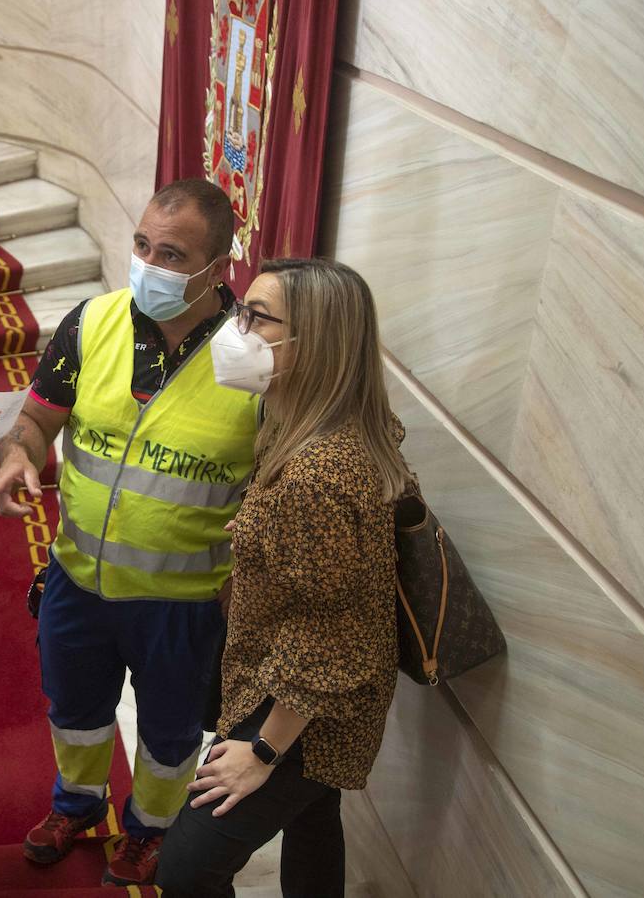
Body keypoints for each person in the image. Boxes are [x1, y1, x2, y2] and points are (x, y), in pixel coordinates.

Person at [0, 178, 260, 887]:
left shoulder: (255, 359)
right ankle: (75, 804)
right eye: (142, 245)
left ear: (218, 265)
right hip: (76, 580)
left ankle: (150, 830)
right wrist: (18, 454)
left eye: (171, 254)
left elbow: (272, 487)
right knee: (74, 712)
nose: (148, 264)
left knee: (169, 734)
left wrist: (243, 588)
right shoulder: (92, 322)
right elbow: (37, 417)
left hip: (182, 602)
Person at [155, 258, 409, 897]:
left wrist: (263, 752)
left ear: (314, 343)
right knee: (314, 823)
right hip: (306, 684)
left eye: (257, 318)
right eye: (242, 311)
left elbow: (328, 635)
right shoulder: (304, 423)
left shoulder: (315, 474)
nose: (236, 330)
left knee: (186, 868)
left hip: (306, 708)